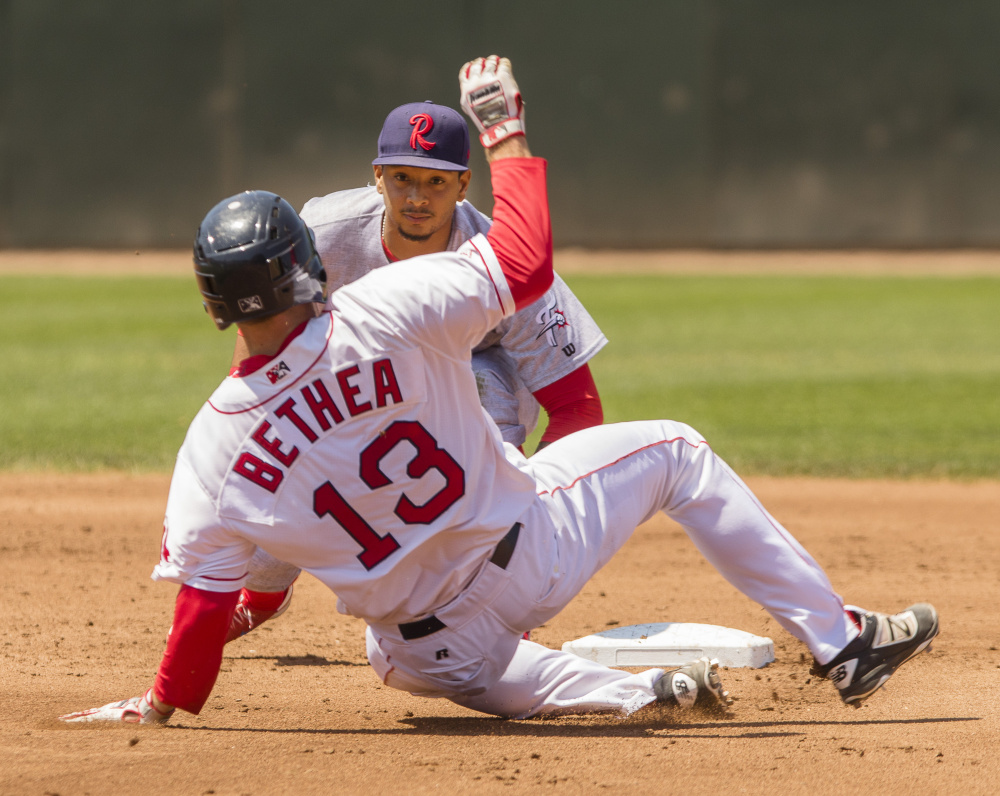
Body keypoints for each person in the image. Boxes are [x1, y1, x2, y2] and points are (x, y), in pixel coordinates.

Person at [60, 56, 938, 726]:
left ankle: (621, 691)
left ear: (213, 307)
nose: (411, 194)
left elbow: (199, 612)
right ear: (309, 262)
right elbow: (524, 259)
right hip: (522, 552)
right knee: (675, 449)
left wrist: (160, 706)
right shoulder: (385, 309)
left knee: (402, 644)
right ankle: (823, 647)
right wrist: (506, 131)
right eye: (398, 178)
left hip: (417, 653)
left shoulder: (208, 451)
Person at [225, 91, 609, 642]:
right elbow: (268, 336)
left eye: (435, 181)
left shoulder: (501, 259)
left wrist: (530, 507)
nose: (417, 197)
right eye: (403, 178)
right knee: (296, 445)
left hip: (481, 365)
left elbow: (578, 408)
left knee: (481, 418)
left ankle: (500, 601)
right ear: (376, 177)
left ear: (462, 185)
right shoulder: (323, 234)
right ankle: (262, 589)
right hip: (365, 355)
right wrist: (249, 425)